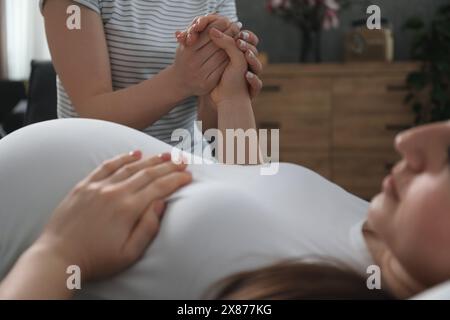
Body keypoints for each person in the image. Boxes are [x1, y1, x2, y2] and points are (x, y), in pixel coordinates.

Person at [1, 28, 450, 300]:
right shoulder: (370, 222)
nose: (409, 140)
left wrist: (58, 255)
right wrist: (230, 96)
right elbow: (245, 182)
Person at [41, 0, 263, 147]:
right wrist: (181, 80)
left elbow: (210, 131)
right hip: (100, 169)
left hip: (188, 164)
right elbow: (92, 113)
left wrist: (224, 95)